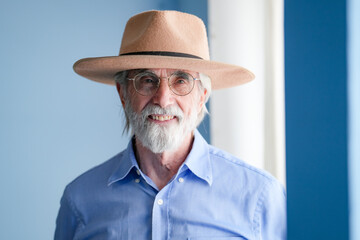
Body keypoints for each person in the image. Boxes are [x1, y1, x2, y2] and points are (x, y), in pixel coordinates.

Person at [55, 10, 286, 240]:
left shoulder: (260, 197)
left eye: (181, 81)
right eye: (146, 80)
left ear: (202, 96)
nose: (163, 99)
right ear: (123, 94)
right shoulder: (79, 200)